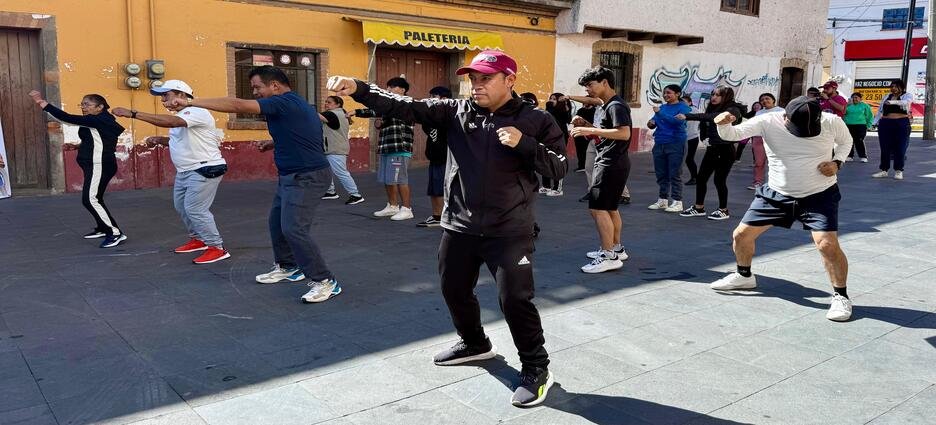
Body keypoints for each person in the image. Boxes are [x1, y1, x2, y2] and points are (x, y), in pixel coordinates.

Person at [327, 49, 567, 407]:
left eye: (486, 78)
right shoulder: (456, 110)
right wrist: (358, 88)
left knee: (514, 300)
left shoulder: (536, 119)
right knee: (453, 289)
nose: (476, 86)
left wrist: (525, 144)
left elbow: (559, 167)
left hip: (509, 229)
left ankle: (536, 368)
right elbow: (402, 105)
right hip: (459, 224)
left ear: (510, 80)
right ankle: (475, 343)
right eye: (473, 78)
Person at [167, 65, 341, 303]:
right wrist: (272, 143)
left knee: (293, 229)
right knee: (276, 224)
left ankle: (325, 281)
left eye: (257, 87)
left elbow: (238, 105)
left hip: (308, 176)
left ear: (275, 86)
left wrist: (190, 103)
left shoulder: (285, 101)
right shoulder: (295, 105)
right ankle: (288, 267)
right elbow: (304, 127)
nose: (255, 92)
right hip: (291, 175)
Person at [707, 96, 855, 322]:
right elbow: (732, 135)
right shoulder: (767, 121)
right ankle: (744, 275)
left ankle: (841, 296)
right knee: (741, 235)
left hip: (819, 194)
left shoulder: (832, 121)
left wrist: (837, 163)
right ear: (785, 116)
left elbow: (845, 142)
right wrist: (722, 123)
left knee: (827, 245)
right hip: (776, 193)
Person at [112, 80, 230, 264]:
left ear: (181, 95)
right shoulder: (184, 115)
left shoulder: (194, 111)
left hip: (204, 168)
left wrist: (133, 113)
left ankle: (217, 247)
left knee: (195, 209)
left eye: (166, 95)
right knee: (182, 207)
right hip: (187, 170)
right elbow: (184, 137)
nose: (163, 100)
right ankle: (199, 239)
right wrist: (162, 140)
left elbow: (172, 122)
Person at [29, 90, 127, 248]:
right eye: (82, 104)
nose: (83, 107)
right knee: (95, 198)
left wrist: (41, 102)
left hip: (99, 165)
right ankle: (103, 227)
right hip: (96, 164)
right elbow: (99, 140)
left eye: (87, 104)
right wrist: (77, 146)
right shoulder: (97, 120)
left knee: (90, 199)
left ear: (100, 107)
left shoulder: (99, 120)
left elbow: (66, 118)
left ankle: (115, 233)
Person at [570, 67, 632, 274]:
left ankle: (608, 255)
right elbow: (607, 135)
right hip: (613, 161)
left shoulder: (616, 105)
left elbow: (624, 134)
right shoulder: (607, 106)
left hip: (611, 163)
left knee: (597, 208)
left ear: (604, 82)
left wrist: (590, 129)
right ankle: (615, 248)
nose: (587, 90)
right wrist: (587, 125)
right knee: (610, 207)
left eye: (590, 85)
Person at [677, 86, 746, 220]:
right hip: (712, 148)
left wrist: (688, 116)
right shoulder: (712, 108)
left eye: (718, 95)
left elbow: (713, 118)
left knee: (719, 180)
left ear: (726, 97)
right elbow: (705, 123)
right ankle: (699, 207)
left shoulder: (733, 109)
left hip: (725, 149)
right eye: (713, 94)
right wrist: (704, 138)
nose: (714, 97)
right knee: (701, 178)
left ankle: (723, 210)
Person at [355, 78, 416, 220]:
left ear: (402, 90)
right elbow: (376, 112)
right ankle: (392, 206)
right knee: (388, 179)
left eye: (393, 87)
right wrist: (357, 112)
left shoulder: (407, 103)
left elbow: (382, 111)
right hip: (386, 146)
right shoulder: (387, 105)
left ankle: (407, 209)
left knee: (401, 179)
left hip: (399, 147)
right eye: (388, 87)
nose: (388, 89)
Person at [647, 84, 691, 213]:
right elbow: (653, 121)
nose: (665, 95)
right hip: (660, 143)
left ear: (677, 94)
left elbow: (676, 122)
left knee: (675, 173)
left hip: (676, 143)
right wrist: (651, 123)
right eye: (664, 93)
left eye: (669, 93)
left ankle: (677, 201)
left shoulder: (683, 107)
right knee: (661, 173)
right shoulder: (663, 107)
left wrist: (659, 113)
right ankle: (662, 200)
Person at [418, 86, 452, 228]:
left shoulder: (450, 114)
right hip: (434, 156)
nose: (431, 99)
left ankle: (445, 216)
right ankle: (437, 215)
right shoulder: (432, 116)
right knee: (433, 188)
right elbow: (426, 126)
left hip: (446, 158)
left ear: (444, 99)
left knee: (442, 188)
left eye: (434, 96)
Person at [320, 96, 364, 205]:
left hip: (335, 149)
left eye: (329, 102)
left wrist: (304, 109)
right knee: (327, 171)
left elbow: (315, 116)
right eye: (326, 102)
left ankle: (356, 195)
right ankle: (330, 192)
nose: (326, 104)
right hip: (334, 148)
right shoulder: (342, 113)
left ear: (337, 104)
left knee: (341, 173)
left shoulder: (332, 114)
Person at [872, 79, 913, 180]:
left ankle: (899, 170)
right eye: (892, 87)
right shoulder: (887, 96)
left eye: (896, 86)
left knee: (900, 147)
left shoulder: (907, 95)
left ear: (901, 87)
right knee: (884, 147)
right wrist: (874, 123)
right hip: (886, 123)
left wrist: (892, 102)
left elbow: (906, 103)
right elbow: (880, 110)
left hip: (901, 123)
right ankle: (884, 170)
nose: (893, 89)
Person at [745, 93, 784, 190]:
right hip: (759, 139)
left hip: (774, 139)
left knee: (775, 162)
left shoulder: (781, 111)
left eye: (767, 98)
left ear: (773, 100)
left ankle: (775, 183)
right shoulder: (759, 113)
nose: (765, 101)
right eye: (762, 100)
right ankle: (757, 182)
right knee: (759, 163)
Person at [543, 92, 572, 196]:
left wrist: (565, 104)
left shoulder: (563, 111)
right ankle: (546, 186)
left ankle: (557, 188)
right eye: (550, 98)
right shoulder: (549, 109)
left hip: (560, 138)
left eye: (554, 99)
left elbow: (568, 119)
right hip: (547, 137)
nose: (551, 101)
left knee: (557, 161)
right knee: (545, 159)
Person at [843, 92, 873, 163]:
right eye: (853, 97)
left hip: (861, 125)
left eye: (856, 97)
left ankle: (863, 156)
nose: (854, 99)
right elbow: (843, 113)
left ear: (860, 99)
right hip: (849, 125)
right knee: (850, 141)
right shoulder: (848, 105)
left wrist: (869, 125)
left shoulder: (865, 106)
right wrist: (846, 105)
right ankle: (850, 156)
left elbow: (870, 116)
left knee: (859, 140)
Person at [682, 95, 702, 186]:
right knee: (685, 158)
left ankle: (695, 178)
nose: (682, 104)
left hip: (691, 138)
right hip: (686, 138)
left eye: (684, 102)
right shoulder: (688, 110)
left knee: (689, 159)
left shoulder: (693, 110)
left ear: (690, 102)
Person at [572, 102, 596, 173]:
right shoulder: (580, 110)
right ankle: (581, 166)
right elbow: (575, 121)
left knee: (589, 151)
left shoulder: (594, 111)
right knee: (580, 150)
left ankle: (590, 165)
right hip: (579, 134)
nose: (584, 103)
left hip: (589, 133)